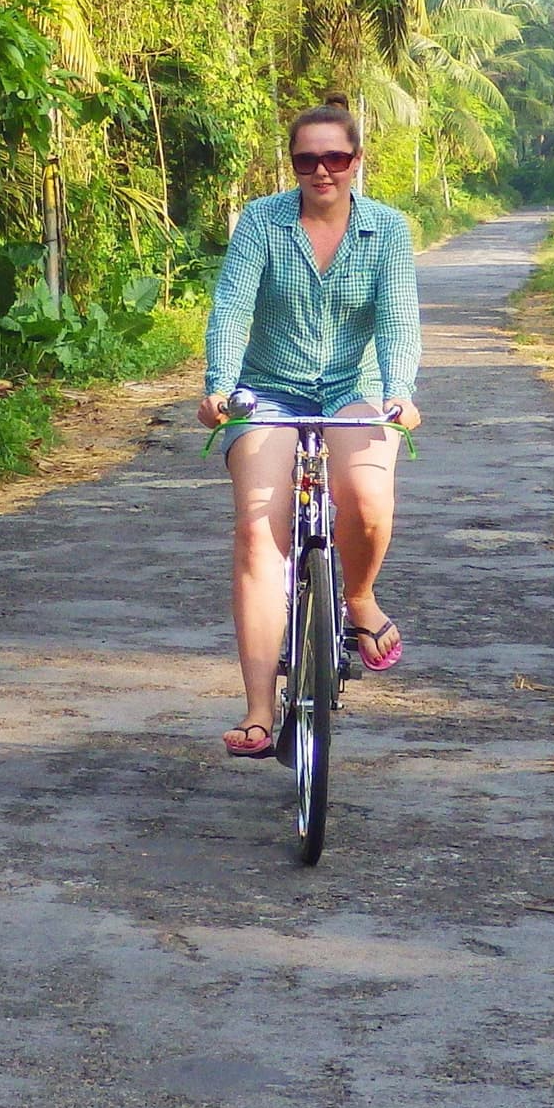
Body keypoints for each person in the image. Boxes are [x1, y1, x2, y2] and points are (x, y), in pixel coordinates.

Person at [198, 101, 422, 759]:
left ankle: (356, 595)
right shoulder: (262, 223)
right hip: (267, 388)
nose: (322, 171)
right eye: (306, 160)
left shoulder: (387, 229)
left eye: (336, 158)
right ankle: (261, 707)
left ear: (356, 163)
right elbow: (232, 305)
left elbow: (399, 320)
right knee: (257, 530)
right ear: (292, 165)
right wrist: (219, 383)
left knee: (369, 498)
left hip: (356, 388)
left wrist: (401, 393)